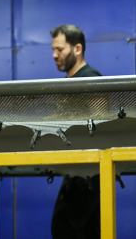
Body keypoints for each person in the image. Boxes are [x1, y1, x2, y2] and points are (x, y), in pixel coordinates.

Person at [50, 25, 101, 239]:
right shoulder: (67, 84)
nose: (55, 55)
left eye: (60, 49)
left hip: (90, 171)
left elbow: (102, 125)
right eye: (53, 49)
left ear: (77, 49)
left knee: (64, 227)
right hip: (76, 168)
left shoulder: (91, 78)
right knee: (86, 231)